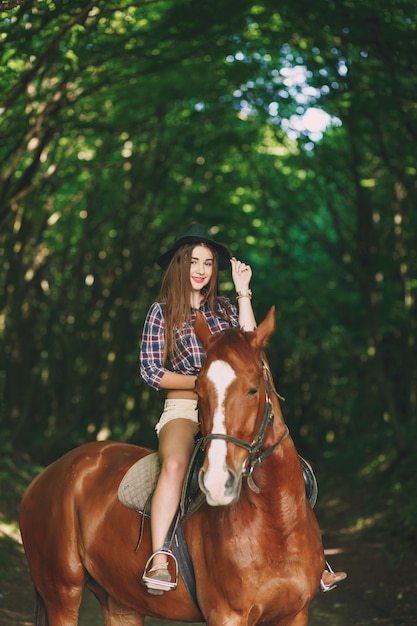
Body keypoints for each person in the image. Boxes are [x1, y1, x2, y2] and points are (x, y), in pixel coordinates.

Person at [139, 223, 346, 595]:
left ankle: (313, 556)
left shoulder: (222, 309)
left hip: (234, 408)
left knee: (289, 466)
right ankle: (161, 556)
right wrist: (207, 381)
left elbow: (253, 344)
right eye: (193, 262)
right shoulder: (162, 312)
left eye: (208, 263)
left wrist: (243, 291)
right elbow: (151, 370)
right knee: (174, 465)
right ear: (178, 266)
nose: (201, 269)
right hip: (187, 407)